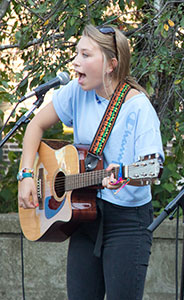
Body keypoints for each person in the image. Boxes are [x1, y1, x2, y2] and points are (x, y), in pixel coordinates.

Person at [17, 24, 164, 300]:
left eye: (85, 55)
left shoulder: (139, 107)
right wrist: (26, 175)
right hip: (86, 216)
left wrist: (125, 175)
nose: (75, 62)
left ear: (111, 64)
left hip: (127, 223)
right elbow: (35, 125)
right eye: (76, 54)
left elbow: (151, 168)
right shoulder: (77, 91)